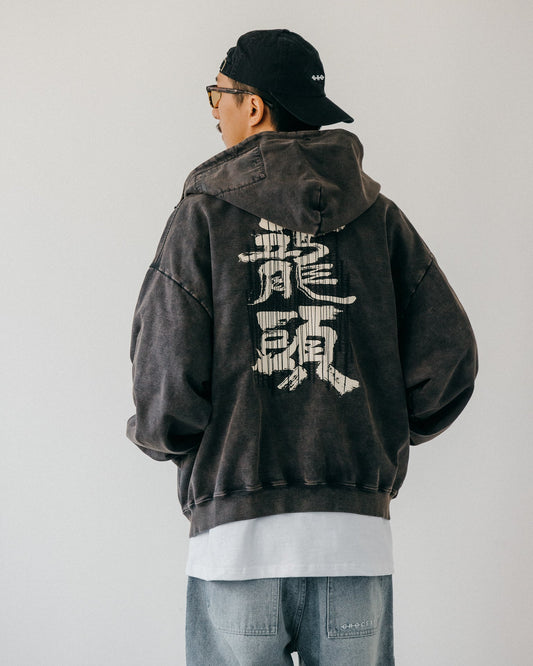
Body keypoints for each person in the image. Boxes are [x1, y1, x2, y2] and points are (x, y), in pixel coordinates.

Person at [126, 29, 478, 666]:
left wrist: (166, 438)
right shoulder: (380, 220)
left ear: (254, 105)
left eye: (219, 94)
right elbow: (447, 360)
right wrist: (376, 432)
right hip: (355, 541)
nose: (214, 109)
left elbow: (165, 384)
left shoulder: (202, 218)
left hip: (235, 542)